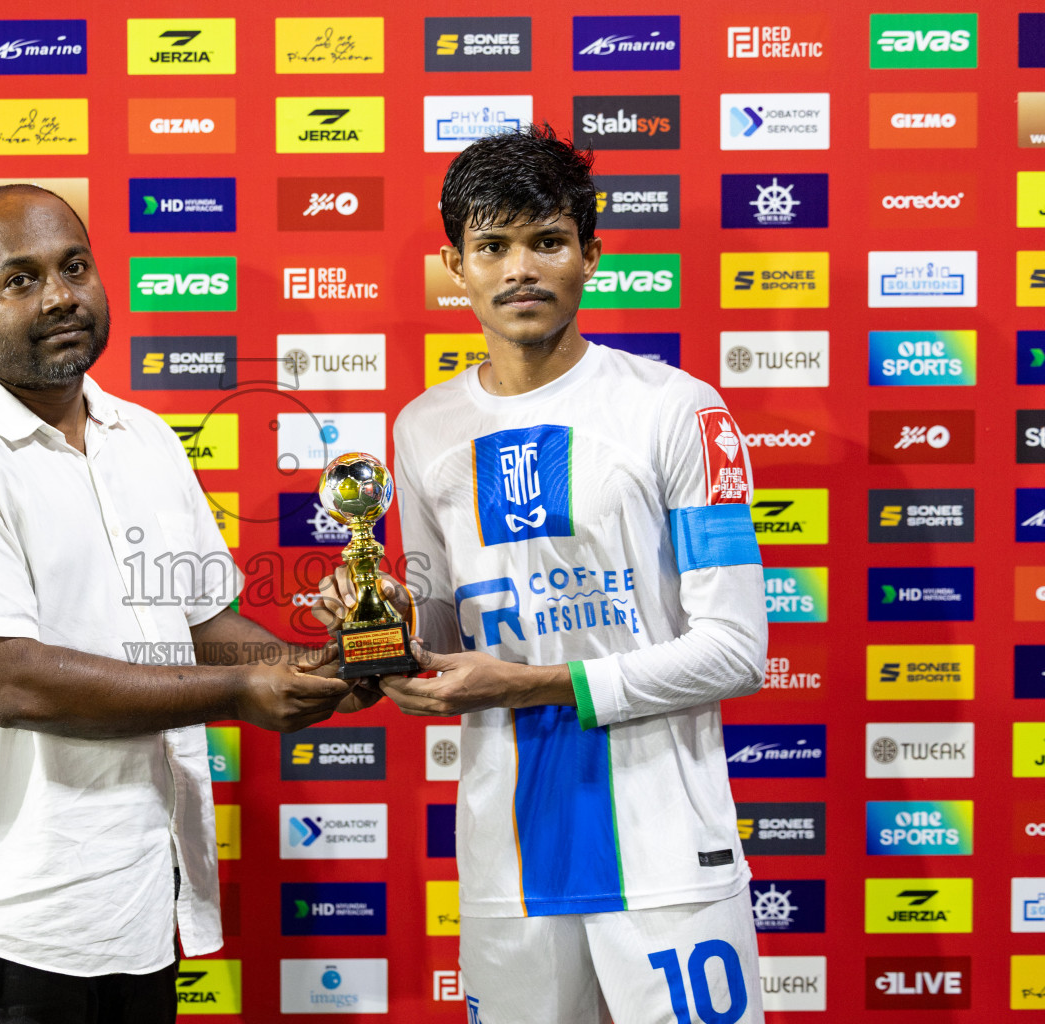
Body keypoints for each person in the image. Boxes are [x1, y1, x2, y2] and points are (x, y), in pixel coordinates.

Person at [0, 184, 362, 1024]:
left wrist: (318, 664)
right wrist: (245, 694)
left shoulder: (145, 437)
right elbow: (11, 681)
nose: (59, 295)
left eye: (75, 267)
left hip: (133, 910)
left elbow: (206, 629)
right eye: (18, 280)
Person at [312, 125, 769, 1023]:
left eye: (546, 240)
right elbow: (440, 625)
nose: (519, 268)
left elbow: (736, 650)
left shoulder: (677, 410)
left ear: (590, 254)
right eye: (492, 245)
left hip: (668, 853)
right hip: (506, 859)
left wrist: (530, 683)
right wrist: (385, 618)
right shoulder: (424, 428)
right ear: (457, 266)